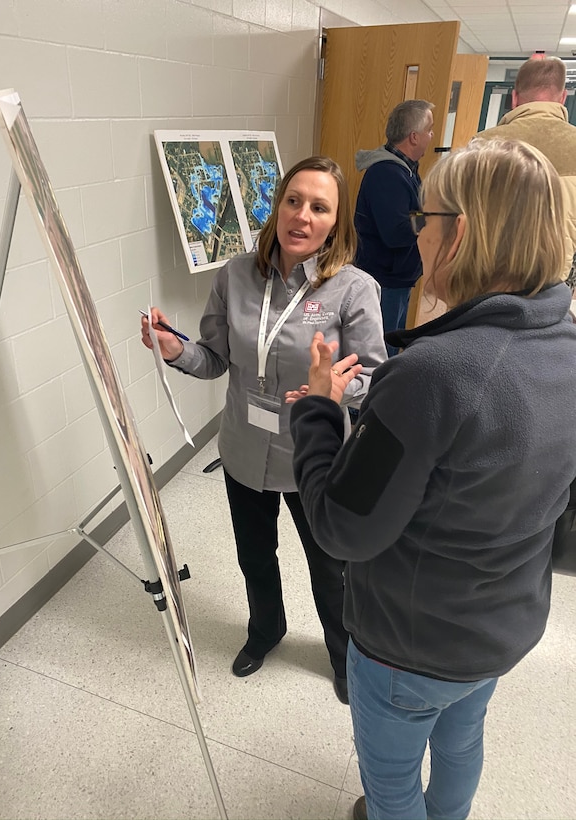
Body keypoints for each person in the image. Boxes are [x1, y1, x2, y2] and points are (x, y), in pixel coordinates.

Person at [287, 139, 576, 818]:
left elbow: (340, 530)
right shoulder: (565, 348)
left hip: (406, 645)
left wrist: (319, 413)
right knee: (458, 741)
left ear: (461, 233)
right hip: (499, 628)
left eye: (425, 220)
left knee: (389, 786)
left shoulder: (431, 376)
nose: (416, 236)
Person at [141, 155, 387, 704]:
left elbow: (373, 380)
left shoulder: (352, 289)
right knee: (254, 554)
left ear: (336, 223)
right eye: (293, 200)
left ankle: (345, 657)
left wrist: (333, 387)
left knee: (330, 566)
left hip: (315, 456)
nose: (302, 216)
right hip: (245, 448)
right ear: (277, 207)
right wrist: (175, 349)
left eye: (319, 207)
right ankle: (265, 629)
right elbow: (214, 359)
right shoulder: (235, 276)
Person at [477, 55, 576, 278]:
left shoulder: (483, 145)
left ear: (514, 98)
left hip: (486, 278)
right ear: (562, 97)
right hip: (553, 280)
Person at [354, 99, 435, 355]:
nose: (431, 136)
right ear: (413, 137)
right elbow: (397, 232)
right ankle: (377, 394)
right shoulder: (387, 174)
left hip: (397, 277)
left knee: (392, 344)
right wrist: (433, 217)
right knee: (381, 352)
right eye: (429, 130)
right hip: (384, 280)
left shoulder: (406, 170)